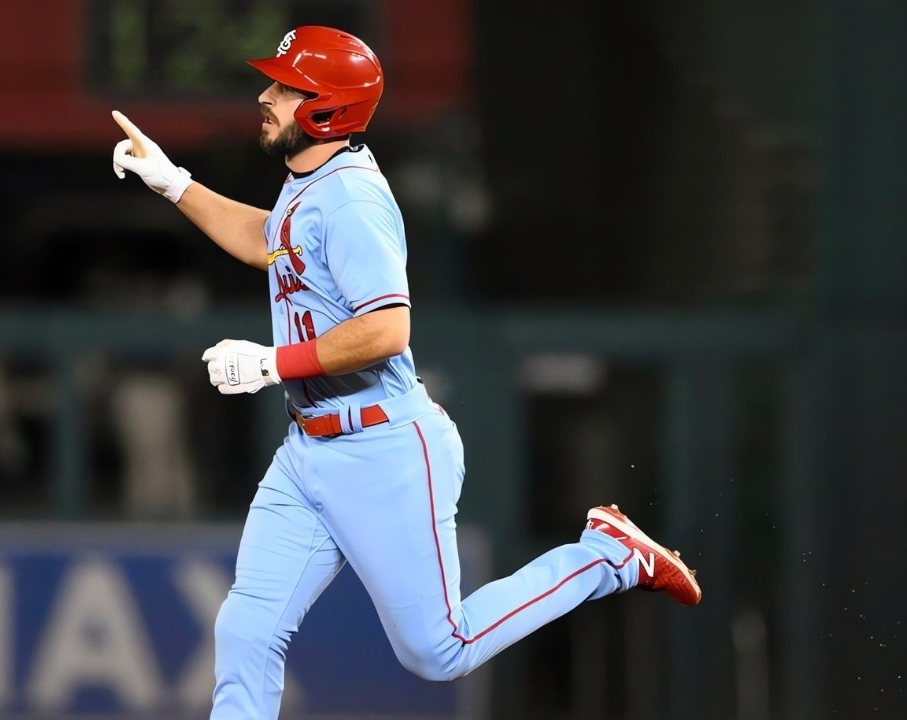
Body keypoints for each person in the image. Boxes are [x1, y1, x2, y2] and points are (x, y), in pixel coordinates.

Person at [111, 25, 702, 719]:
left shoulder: (354, 201)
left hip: (382, 448)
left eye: (285, 88)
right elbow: (267, 241)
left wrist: (274, 362)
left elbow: (388, 330)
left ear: (326, 110)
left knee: (437, 651)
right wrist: (174, 182)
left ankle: (605, 556)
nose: (266, 97)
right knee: (247, 628)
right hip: (311, 449)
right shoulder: (310, 182)